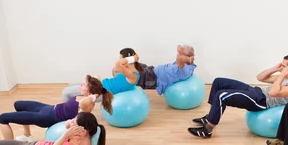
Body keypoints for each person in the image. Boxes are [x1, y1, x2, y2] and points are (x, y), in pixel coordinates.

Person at [187, 55, 288, 139]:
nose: (281, 69)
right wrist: (275, 68)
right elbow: (260, 78)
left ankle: (208, 129)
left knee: (221, 95)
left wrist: (282, 74)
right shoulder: (285, 76)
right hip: (256, 91)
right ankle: (210, 116)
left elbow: (273, 93)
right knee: (218, 82)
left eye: (283, 66)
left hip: (261, 101)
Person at [61, 45, 196, 100]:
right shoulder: (185, 66)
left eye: (181, 54)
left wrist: (132, 59)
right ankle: (79, 88)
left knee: (67, 92)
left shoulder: (184, 70)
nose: (178, 54)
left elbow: (180, 58)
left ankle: (69, 108)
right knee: (74, 85)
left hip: (152, 77)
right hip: (150, 70)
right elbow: (179, 50)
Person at [0, 76, 110, 142]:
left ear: (90, 92)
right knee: (18, 104)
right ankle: (27, 136)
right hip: (48, 108)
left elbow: (85, 102)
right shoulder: (86, 98)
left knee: (3, 118)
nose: (81, 85)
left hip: (46, 117)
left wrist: (94, 96)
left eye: (84, 85)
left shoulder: (86, 103)